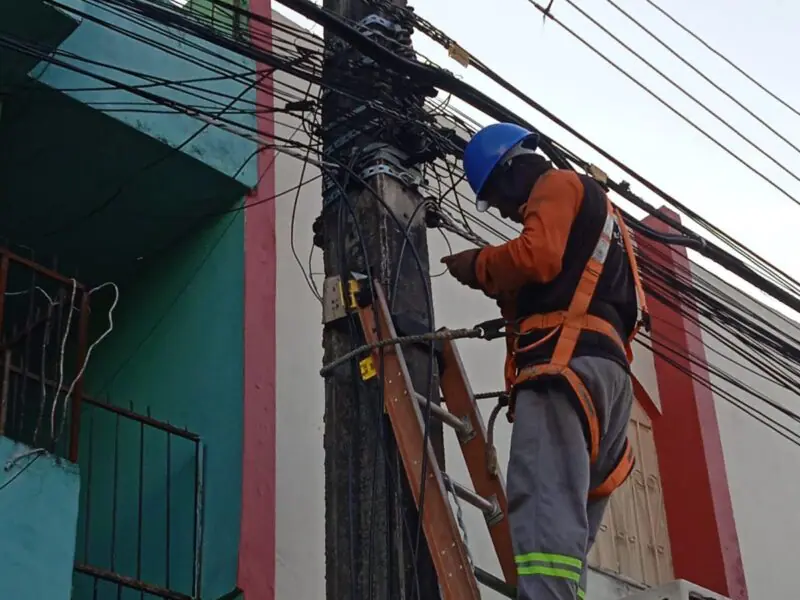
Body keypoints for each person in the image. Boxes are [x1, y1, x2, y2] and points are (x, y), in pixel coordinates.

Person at [441, 123, 648, 600]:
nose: (510, 212)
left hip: (564, 370)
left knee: (542, 509)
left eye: (497, 197)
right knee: (565, 532)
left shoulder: (557, 185)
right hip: (607, 380)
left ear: (512, 170)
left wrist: (480, 266)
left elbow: (537, 256)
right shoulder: (604, 218)